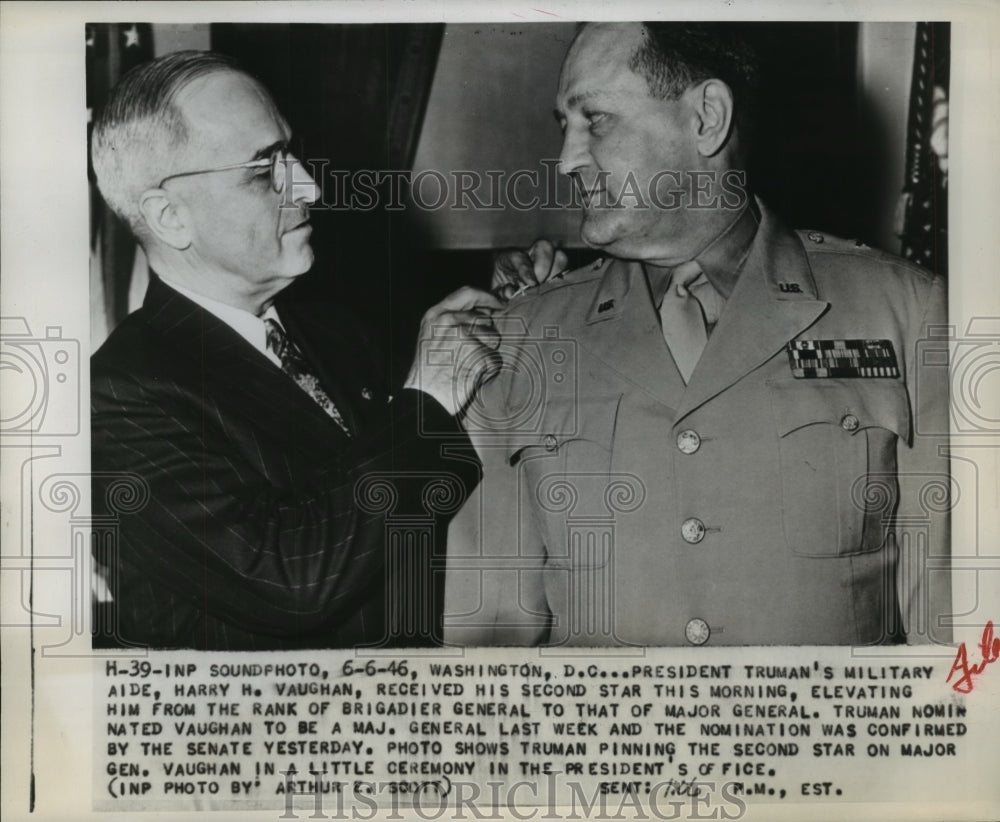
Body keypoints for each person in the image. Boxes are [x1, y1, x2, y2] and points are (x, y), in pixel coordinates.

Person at [446, 22, 951, 647]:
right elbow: (487, 644)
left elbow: (952, 633)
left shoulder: (904, 312)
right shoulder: (521, 339)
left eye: (595, 120)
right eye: (564, 126)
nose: (566, 160)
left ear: (707, 118)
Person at [90, 50, 502, 650]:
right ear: (170, 216)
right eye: (263, 170)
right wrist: (428, 397)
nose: (307, 185)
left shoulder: (333, 330)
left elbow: (426, 492)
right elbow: (289, 578)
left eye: (290, 154)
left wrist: (519, 304)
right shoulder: (119, 394)